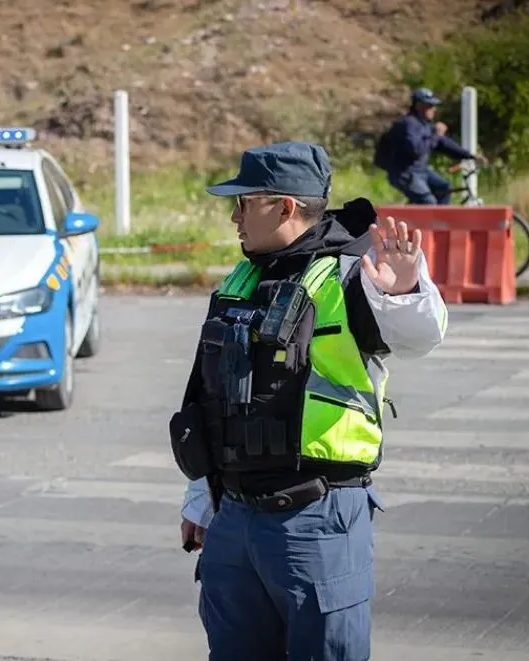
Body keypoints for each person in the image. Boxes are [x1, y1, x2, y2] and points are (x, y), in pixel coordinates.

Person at [168, 142, 448, 661]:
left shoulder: (354, 273)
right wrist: (200, 497)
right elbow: (216, 395)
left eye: (244, 202)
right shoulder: (244, 276)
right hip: (234, 514)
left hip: (316, 517)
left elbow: (420, 338)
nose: (234, 217)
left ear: (285, 207)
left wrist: (404, 291)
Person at [373, 87, 487, 205]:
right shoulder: (409, 124)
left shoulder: (425, 125)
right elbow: (416, 149)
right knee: (428, 203)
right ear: (418, 106)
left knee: (444, 189)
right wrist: (436, 135)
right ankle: (425, 221)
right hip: (405, 173)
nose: (434, 109)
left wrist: (470, 155)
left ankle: (440, 221)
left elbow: (444, 144)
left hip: (420, 171)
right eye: (430, 106)